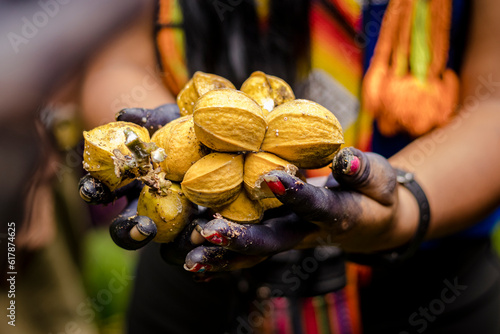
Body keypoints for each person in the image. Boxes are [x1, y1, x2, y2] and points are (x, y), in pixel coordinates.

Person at [79, 0, 500, 333]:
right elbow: (117, 59)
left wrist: (405, 205)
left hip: (428, 284)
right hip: (197, 268)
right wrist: (149, 154)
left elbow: (493, 99)